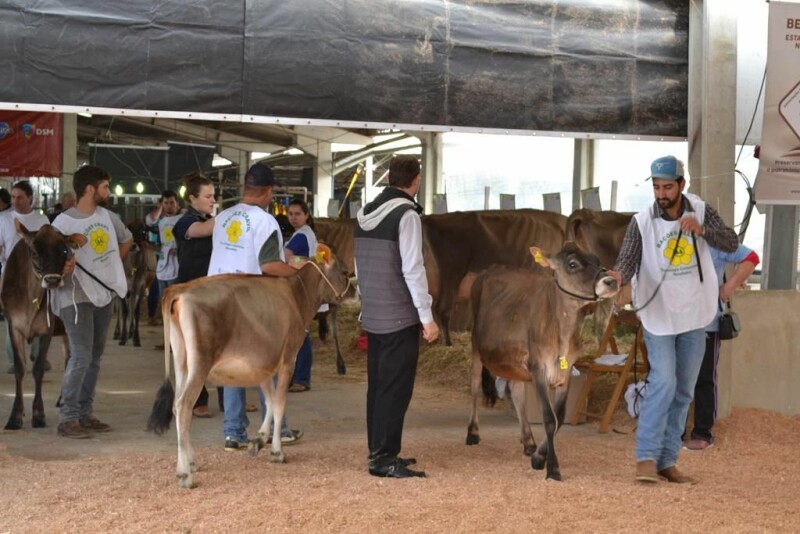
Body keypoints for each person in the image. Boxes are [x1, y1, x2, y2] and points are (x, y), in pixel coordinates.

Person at [614, 155, 738, 484]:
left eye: (668, 186)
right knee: (664, 383)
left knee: (684, 390)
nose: (661, 193)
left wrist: (704, 230)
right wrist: (617, 277)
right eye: (656, 187)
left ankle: (667, 462)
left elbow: (731, 242)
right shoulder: (641, 222)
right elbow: (626, 261)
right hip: (658, 316)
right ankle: (645, 458)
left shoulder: (700, 209)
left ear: (681, 185)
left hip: (696, 315)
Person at [207, 162, 304, 451]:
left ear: (246, 189)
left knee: (229, 363)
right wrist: (298, 271)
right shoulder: (266, 221)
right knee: (267, 362)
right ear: (269, 192)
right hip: (249, 300)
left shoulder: (223, 216)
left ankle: (233, 432)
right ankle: (276, 427)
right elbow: (270, 265)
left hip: (215, 297)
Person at [355, 155, 440, 479]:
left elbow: (360, 264)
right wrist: (427, 317)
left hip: (374, 313)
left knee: (378, 386)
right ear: (415, 181)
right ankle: (383, 460)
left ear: (390, 178)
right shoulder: (406, 215)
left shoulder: (364, 213)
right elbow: (413, 268)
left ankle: (380, 450)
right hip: (399, 316)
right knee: (396, 388)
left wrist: (367, 303)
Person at [51, 165, 132, 439]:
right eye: (105, 186)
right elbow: (48, 263)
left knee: (94, 357)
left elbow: (127, 239)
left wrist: (109, 266)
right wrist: (64, 267)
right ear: (90, 189)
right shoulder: (61, 224)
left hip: (103, 293)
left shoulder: (109, 217)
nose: (109, 191)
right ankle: (68, 418)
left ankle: (85, 413)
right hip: (74, 296)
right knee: (81, 355)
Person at [683, 244, 759, 451]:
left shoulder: (715, 239)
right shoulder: (670, 234)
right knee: (674, 378)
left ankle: (702, 432)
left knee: (704, 378)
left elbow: (751, 257)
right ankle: (675, 431)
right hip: (677, 323)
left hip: (706, 322)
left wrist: (728, 287)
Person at [172, 172, 223, 418]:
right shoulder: (185, 223)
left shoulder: (213, 220)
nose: (213, 200)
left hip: (212, 291)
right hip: (191, 293)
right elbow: (202, 230)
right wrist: (231, 216)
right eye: (208, 196)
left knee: (222, 345)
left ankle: (229, 399)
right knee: (196, 348)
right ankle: (196, 399)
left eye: (214, 196)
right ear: (192, 199)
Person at [0, 181, 51, 372]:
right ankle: (15, 359)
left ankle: (38, 355)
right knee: (12, 316)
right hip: (11, 276)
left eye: (20, 197)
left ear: (30, 198)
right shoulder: (4, 220)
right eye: (13, 197)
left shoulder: (42, 220)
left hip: (35, 276)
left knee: (38, 313)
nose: (15, 201)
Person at [283, 199, 319, 393]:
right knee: (301, 332)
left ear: (306, 215)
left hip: (299, 287)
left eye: (298, 214)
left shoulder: (301, 236)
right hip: (305, 288)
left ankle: (301, 378)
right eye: (291, 214)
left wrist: (299, 261)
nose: (294, 217)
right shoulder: (306, 234)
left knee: (301, 333)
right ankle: (299, 376)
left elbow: (287, 257)